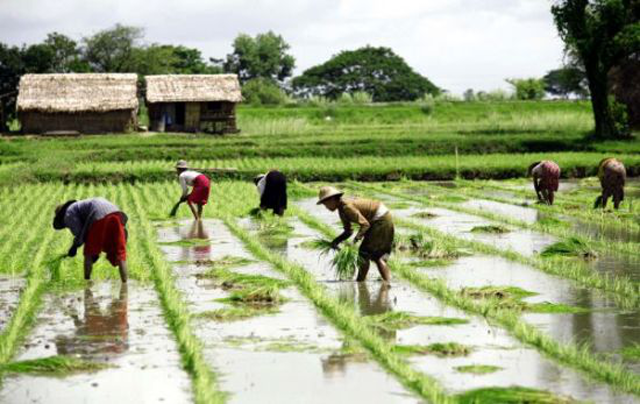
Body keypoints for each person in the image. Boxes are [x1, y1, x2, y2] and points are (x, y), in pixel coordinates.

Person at [317, 186, 394, 282]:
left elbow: (365, 225)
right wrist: (335, 241)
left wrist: (354, 241)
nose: (326, 208)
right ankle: (386, 282)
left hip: (380, 219)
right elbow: (348, 231)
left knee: (364, 253)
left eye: (326, 204)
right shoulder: (342, 209)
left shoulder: (347, 207)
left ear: (332, 199)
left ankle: (361, 281)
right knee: (376, 256)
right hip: (381, 217)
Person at [53, 197, 128, 282]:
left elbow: (79, 233)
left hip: (98, 214)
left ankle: (86, 282)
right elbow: (86, 233)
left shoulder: (68, 213)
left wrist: (74, 247)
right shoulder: (78, 206)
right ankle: (125, 284)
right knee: (120, 254)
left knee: (88, 253)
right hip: (115, 212)